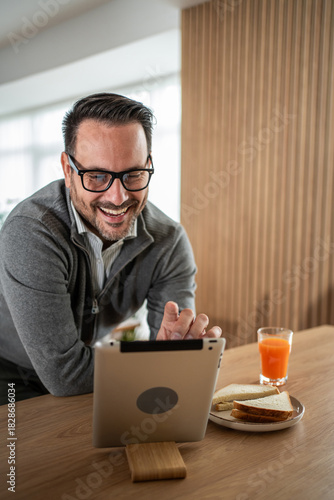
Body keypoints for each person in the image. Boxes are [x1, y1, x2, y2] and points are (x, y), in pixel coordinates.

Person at [0, 93, 221, 405]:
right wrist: (159, 361)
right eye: (97, 176)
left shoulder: (169, 241)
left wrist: (191, 355)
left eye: (133, 174)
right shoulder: (32, 230)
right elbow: (65, 374)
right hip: (8, 377)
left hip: (89, 379)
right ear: (68, 169)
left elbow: (178, 355)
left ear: (149, 165)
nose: (117, 198)